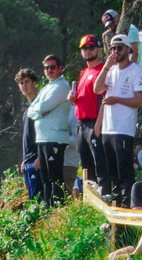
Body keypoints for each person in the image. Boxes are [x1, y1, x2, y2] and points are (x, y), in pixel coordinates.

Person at [97, 35, 142, 201]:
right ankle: (116, 205)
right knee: (112, 172)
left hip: (123, 129)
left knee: (124, 171)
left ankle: (128, 205)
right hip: (108, 128)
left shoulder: (136, 72)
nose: (115, 52)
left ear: (128, 49)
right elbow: (97, 89)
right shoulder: (111, 70)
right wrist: (106, 66)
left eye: (119, 48)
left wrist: (117, 99)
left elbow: (141, 101)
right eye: (113, 48)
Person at [27, 54, 74, 204]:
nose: (49, 70)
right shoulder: (46, 87)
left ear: (59, 68)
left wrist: (39, 110)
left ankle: (58, 212)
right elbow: (31, 110)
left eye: (52, 67)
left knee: (55, 179)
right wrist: (39, 112)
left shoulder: (62, 86)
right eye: (46, 67)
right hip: (42, 139)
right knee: (45, 179)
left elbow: (41, 107)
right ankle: (48, 211)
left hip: (54, 139)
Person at [71, 35, 107, 196]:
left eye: (91, 47)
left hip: (95, 123)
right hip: (81, 124)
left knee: (99, 163)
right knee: (86, 166)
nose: (88, 51)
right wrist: (73, 100)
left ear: (98, 49)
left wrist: (98, 125)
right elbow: (84, 100)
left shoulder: (103, 70)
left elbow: (104, 100)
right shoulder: (84, 72)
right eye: (84, 48)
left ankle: (104, 196)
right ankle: (90, 199)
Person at [15, 67, 41, 198]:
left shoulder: (40, 105)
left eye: (26, 81)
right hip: (28, 162)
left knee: (40, 201)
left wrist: (40, 158)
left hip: (37, 162)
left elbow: (45, 133)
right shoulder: (27, 109)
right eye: (21, 83)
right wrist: (24, 161)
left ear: (34, 82)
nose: (24, 86)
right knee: (33, 200)